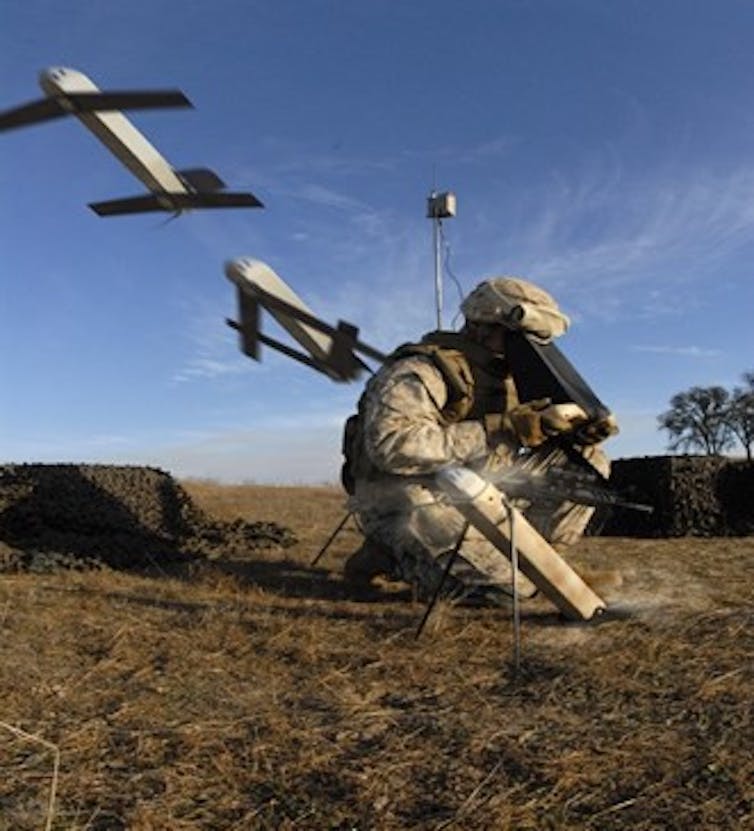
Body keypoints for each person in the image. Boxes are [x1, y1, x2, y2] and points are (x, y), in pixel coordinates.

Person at [340, 276, 618, 604]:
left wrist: (574, 433)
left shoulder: (508, 377)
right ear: (483, 326)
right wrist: (503, 427)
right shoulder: (422, 370)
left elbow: (525, 442)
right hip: (406, 496)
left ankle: (546, 565)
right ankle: (386, 551)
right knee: (503, 592)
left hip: (480, 488)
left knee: (589, 460)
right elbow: (393, 446)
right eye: (520, 337)